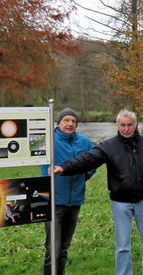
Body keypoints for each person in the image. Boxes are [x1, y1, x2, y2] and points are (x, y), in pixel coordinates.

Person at [53, 109, 143, 275]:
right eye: (123, 125)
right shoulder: (109, 146)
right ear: (117, 126)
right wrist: (64, 168)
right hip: (120, 202)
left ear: (135, 125)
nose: (126, 129)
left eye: (130, 125)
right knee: (122, 246)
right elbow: (87, 160)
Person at [41, 108, 96, 275]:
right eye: (66, 120)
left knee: (64, 248)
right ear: (58, 123)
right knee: (53, 249)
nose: (70, 124)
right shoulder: (48, 140)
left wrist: (83, 176)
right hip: (53, 202)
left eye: (73, 121)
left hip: (74, 203)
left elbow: (94, 161)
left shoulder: (84, 142)